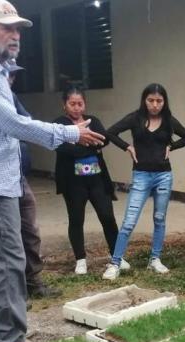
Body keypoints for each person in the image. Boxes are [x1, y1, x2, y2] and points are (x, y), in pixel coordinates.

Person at [0, 0, 105, 342]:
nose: (15, 35)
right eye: (7, 28)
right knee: (6, 256)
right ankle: (7, 340)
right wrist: (69, 134)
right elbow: (13, 123)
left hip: (0, 172)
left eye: (17, 29)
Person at [101, 83, 185, 280]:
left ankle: (155, 259)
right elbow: (110, 132)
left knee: (159, 219)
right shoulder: (135, 118)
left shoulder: (168, 120)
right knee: (129, 221)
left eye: (159, 101)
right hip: (141, 175)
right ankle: (115, 262)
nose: (155, 105)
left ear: (164, 102)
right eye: (151, 100)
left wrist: (172, 146)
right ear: (144, 100)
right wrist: (128, 147)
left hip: (163, 176)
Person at [53, 84, 129, 275]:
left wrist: (80, 145)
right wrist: (91, 146)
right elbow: (62, 148)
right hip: (73, 183)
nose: (76, 107)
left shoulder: (92, 121)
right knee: (76, 219)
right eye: (72, 104)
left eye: (80, 103)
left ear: (84, 104)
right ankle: (80, 260)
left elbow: (104, 140)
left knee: (107, 217)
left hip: (97, 180)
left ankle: (117, 256)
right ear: (65, 105)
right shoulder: (60, 125)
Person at [6, 60, 61, 299]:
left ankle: (33, 280)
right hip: (1, 180)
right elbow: (21, 126)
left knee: (30, 230)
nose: (10, 79)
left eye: (13, 76)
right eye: (7, 74)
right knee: (7, 237)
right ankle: (13, 291)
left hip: (20, 177)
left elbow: (26, 123)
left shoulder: (11, 97)